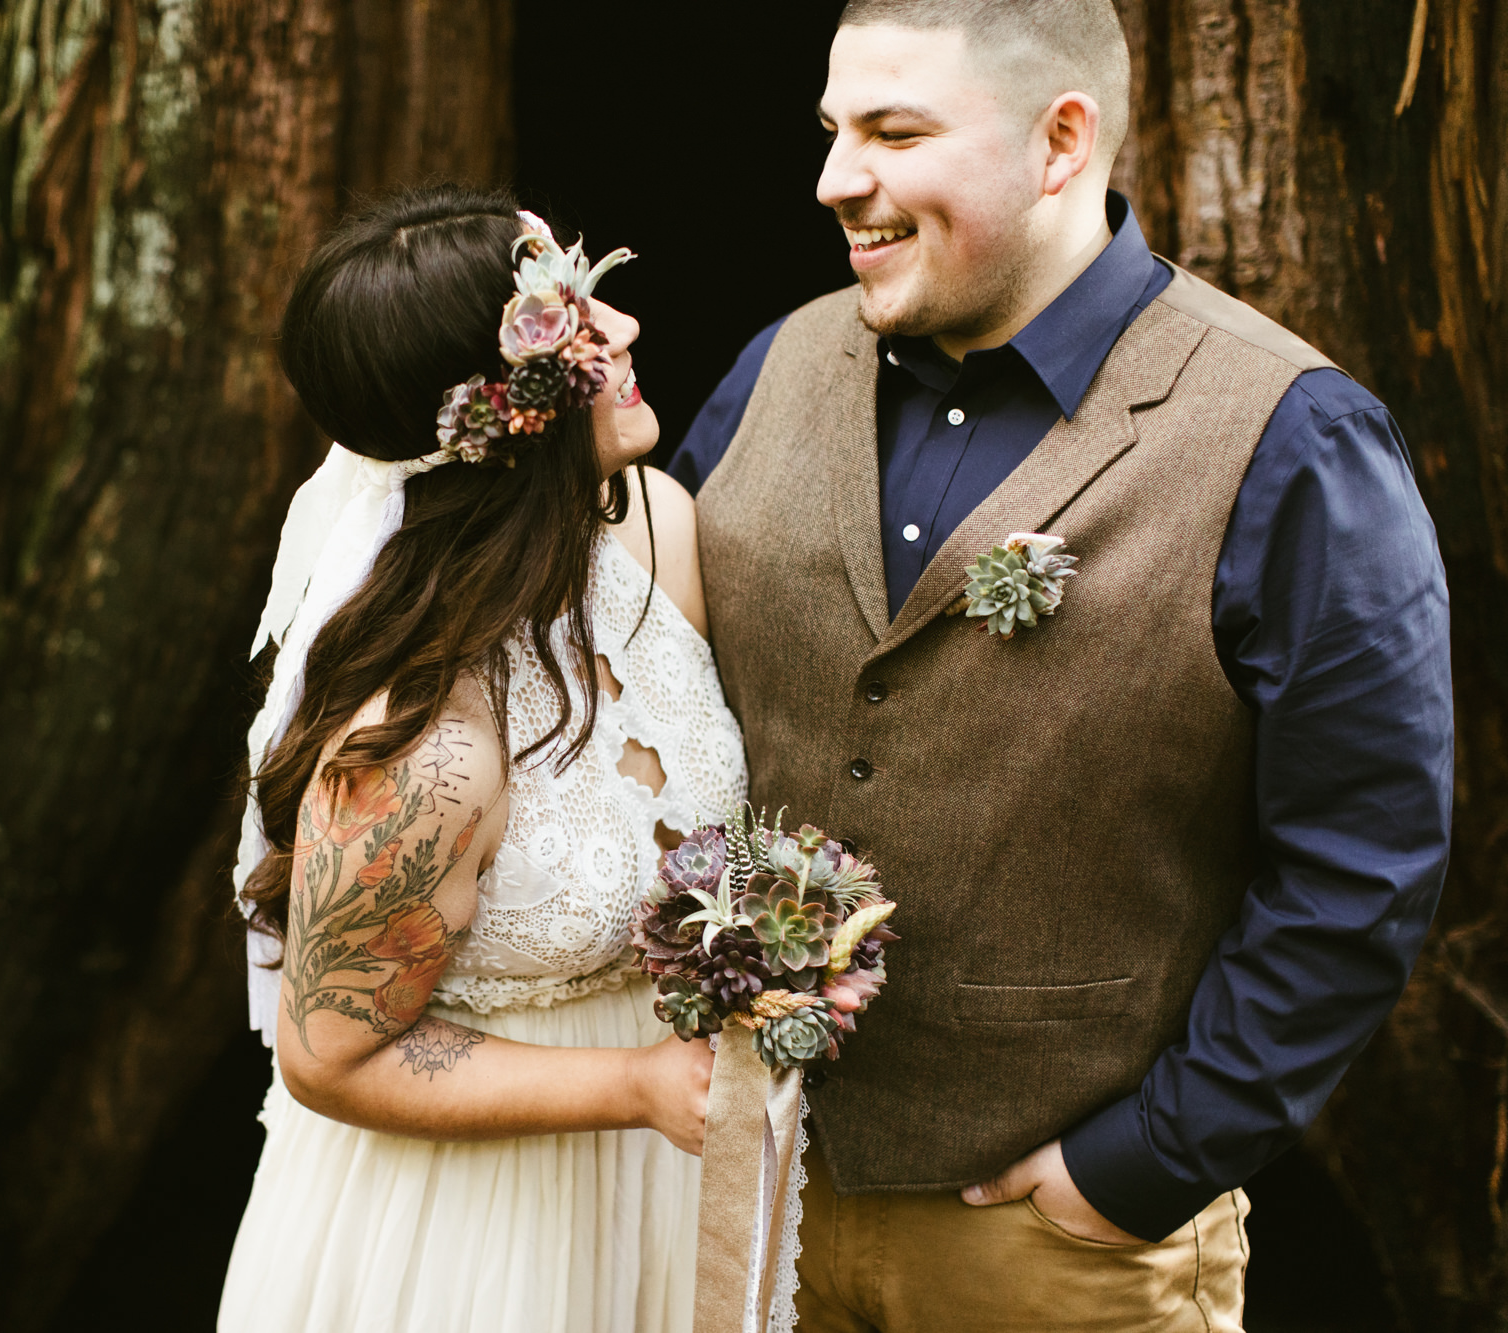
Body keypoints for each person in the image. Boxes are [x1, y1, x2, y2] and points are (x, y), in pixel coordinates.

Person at [672, 1, 1454, 1330]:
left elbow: (1363, 854)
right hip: (737, 1220)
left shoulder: (1290, 435)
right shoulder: (774, 367)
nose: (832, 179)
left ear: (1061, 141)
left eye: (893, 131)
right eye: (831, 129)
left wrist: (1144, 1164)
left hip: (1058, 1253)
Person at [217, 185, 748, 1333]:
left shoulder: (654, 525)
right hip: (463, 1235)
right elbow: (331, 1058)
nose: (625, 334)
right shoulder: (421, 741)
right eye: (574, 319)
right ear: (499, 412)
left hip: (646, 1192)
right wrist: (635, 1085)